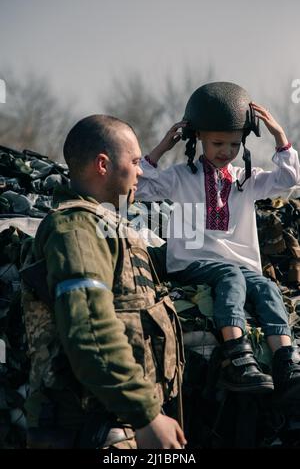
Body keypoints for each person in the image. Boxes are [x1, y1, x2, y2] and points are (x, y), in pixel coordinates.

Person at [22, 114, 186, 449]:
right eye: (136, 162)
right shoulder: (77, 228)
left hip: (120, 423)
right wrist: (146, 415)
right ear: (103, 164)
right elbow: (90, 330)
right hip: (92, 430)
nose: (141, 171)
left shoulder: (111, 226)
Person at [136, 81, 300, 399]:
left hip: (239, 264)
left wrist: (279, 136)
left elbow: (289, 179)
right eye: (217, 143)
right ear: (198, 139)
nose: (226, 152)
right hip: (191, 260)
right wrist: (161, 149)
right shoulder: (181, 177)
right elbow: (140, 186)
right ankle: (237, 355)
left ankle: (285, 362)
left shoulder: (246, 180)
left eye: (234, 145)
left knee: (266, 286)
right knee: (230, 275)